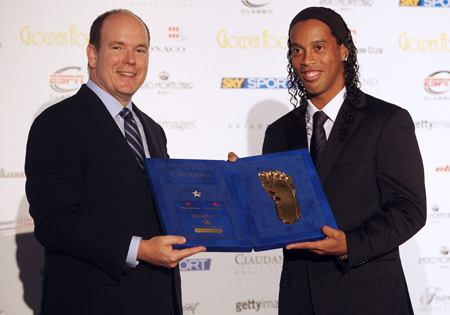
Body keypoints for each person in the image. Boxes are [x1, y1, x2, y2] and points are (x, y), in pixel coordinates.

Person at [230, 6, 426, 315]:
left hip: (369, 298)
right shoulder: (278, 132)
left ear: (343, 50)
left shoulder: (387, 121)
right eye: (297, 50)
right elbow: (279, 215)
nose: (307, 60)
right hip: (300, 298)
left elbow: (409, 210)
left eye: (318, 47)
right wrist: (241, 187)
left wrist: (350, 243)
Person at [25, 9, 205, 314]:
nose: (130, 60)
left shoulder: (152, 129)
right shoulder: (57, 123)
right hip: (92, 304)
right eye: (117, 47)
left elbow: (161, 206)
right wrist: (140, 249)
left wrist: (230, 184)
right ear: (93, 55)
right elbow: (54, 223)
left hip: (159, 300)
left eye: (140, 50)